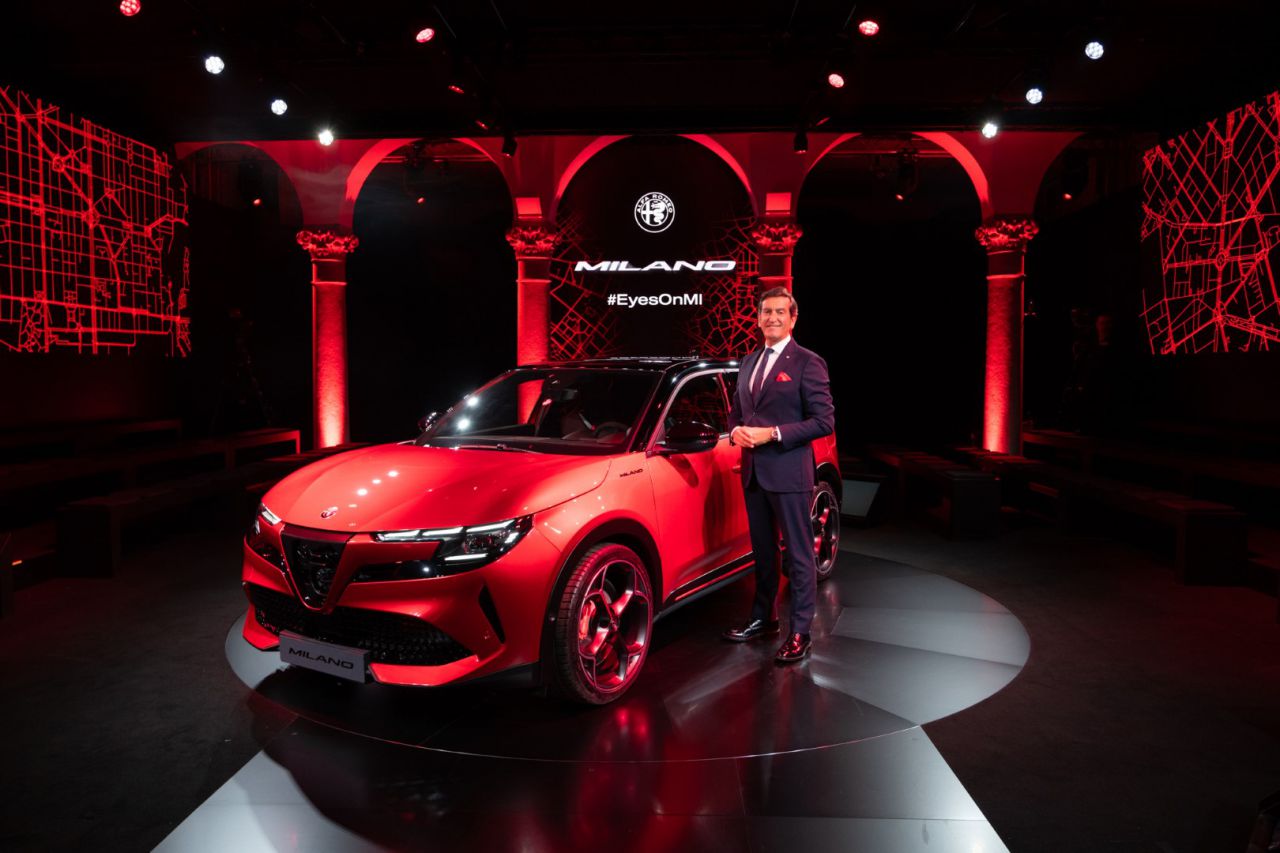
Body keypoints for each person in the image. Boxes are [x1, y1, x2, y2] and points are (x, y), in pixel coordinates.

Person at [724, 286, 835, 663]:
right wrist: (735, 432)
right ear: (757, 319)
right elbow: (737, 412)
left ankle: (800, 632)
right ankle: (764, 618)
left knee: (799, 556)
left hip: (789, 473)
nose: (772, 318)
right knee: (763, 552)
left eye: (779, 312)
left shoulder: (808, 362)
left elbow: (823, 421)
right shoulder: (748, 362)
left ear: (793, 318)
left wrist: (772, 434)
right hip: (753, 472)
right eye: (766, 312)